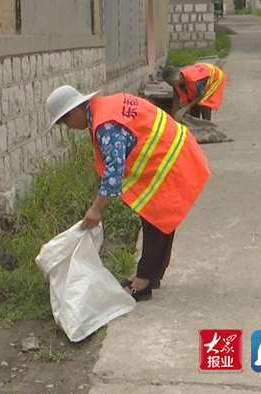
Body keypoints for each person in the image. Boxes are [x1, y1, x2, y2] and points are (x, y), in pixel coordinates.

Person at [45, 85, 210, 301]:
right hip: (175, 152)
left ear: (75, 110)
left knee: (155, 220)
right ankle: (152, 274)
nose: (68, 127)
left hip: (170, 160)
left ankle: (142, 282)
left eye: (65, 122)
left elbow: (114, 171)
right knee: (162, 220)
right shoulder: (105, 107)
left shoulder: (105, 125)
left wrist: (96, 209)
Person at [161, 63, 227, 121]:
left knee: (204, 102)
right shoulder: (176, 83)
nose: (169, 84)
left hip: (215, 76)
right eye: (168, 83)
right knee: (193, 101)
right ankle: (196, 121)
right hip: (202, 74)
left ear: (178, 78)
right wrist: (173, 117)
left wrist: (188, 107)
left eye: (170, 82)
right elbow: (176, 99)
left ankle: (207, 124)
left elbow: (201, 95)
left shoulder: (194, 80)